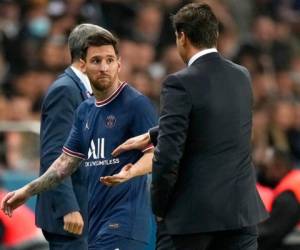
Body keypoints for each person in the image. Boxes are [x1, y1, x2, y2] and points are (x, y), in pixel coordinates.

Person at [103, 3, 269, 250]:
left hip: (191, 218)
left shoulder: (179, 83)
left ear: (182, 36)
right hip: (240, 214)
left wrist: (160, 207)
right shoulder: (241, 76)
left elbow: (169, 157)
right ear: (214, 34)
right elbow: (216, 123)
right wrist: (152, 135)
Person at [1, 30, 157, 250]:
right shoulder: (84, 107)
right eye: (96, 61)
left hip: (121, 219)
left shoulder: (136, 104)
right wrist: (28, 190)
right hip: (91, 219)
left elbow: (154, 154)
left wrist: (130, 173)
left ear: (119, 65)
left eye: (109, 60)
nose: (103, 67)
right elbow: (63, 161)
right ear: (83, 64)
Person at [36, 23, 107, 250]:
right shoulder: (66, 90)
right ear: (84, 57)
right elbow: (55, 153)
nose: (109, 65)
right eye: (102, 58)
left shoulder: (89, 91)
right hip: (72, 215)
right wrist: (69, 207)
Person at [257, 149, 300, 250]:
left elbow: (272, 234)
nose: (262, 173)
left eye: (265, 168)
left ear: (278, 167)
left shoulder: (288, 195)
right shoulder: (296, 180)